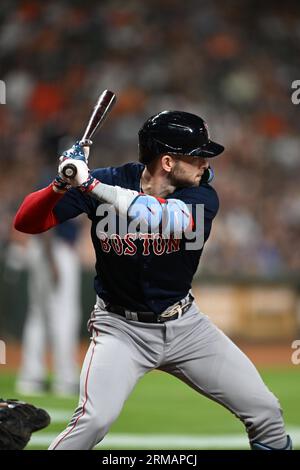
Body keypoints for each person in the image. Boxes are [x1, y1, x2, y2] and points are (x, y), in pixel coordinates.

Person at [14, 110, 292, 450]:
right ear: (167, 161)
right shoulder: (108, 180)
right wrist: (60, 184)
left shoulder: (201, 196)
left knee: (265, 411)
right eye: (197, 156)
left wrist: (89, 185)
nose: (206, 164)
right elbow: (27, 222)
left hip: (186, 327)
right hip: (120, 328)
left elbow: (163, 218)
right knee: (93, 421)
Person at [16, 219, 81, 397]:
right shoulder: (60, 189)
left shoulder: (42, 189)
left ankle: (31, 377)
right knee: (64, 317)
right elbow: (46, 224)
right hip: (55, 251)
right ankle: (65, 379)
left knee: (38, 317)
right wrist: (52, 260)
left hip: (42, 250)